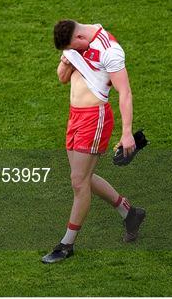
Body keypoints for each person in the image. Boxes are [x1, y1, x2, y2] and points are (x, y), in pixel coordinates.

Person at [41, 20, 146, 264]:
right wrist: (67, 61)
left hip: (95, 119)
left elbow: (125, 92)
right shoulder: (74, 42)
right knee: (82, 178)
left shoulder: (110, 51)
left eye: (74, 50)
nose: (74, 53)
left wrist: (127, 132)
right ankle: (129, 213)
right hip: (74, 116)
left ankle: (66, 244)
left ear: (80, 38)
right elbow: (62, 78)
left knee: (79, 183)